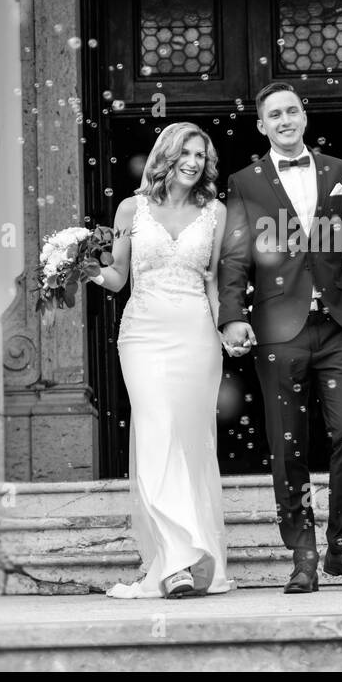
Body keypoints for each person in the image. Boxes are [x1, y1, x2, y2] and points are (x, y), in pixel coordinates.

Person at [218, 82, 342, 593]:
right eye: (274, 114)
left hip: (340, 325)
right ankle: (302, 555)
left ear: (304, 116)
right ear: (261, 125)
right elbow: (235, 256)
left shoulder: (338, 172)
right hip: (279, 331)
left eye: (292, 110)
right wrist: (233, 315)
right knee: (287, 445)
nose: (285, 120)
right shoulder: (245, 182)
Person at [94, 121, 233, 600]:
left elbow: (213, 282)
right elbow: (116, 276)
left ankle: (197, 554)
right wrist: (78, 264)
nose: (194, 162)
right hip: (143, 335)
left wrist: (227, 329)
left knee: (192, 442)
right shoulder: (131, 208)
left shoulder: (216, 212)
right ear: (166, 157)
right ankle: (175, 563)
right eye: (185, 154)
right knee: (156, 432)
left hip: (196, 334)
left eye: (201, 155)